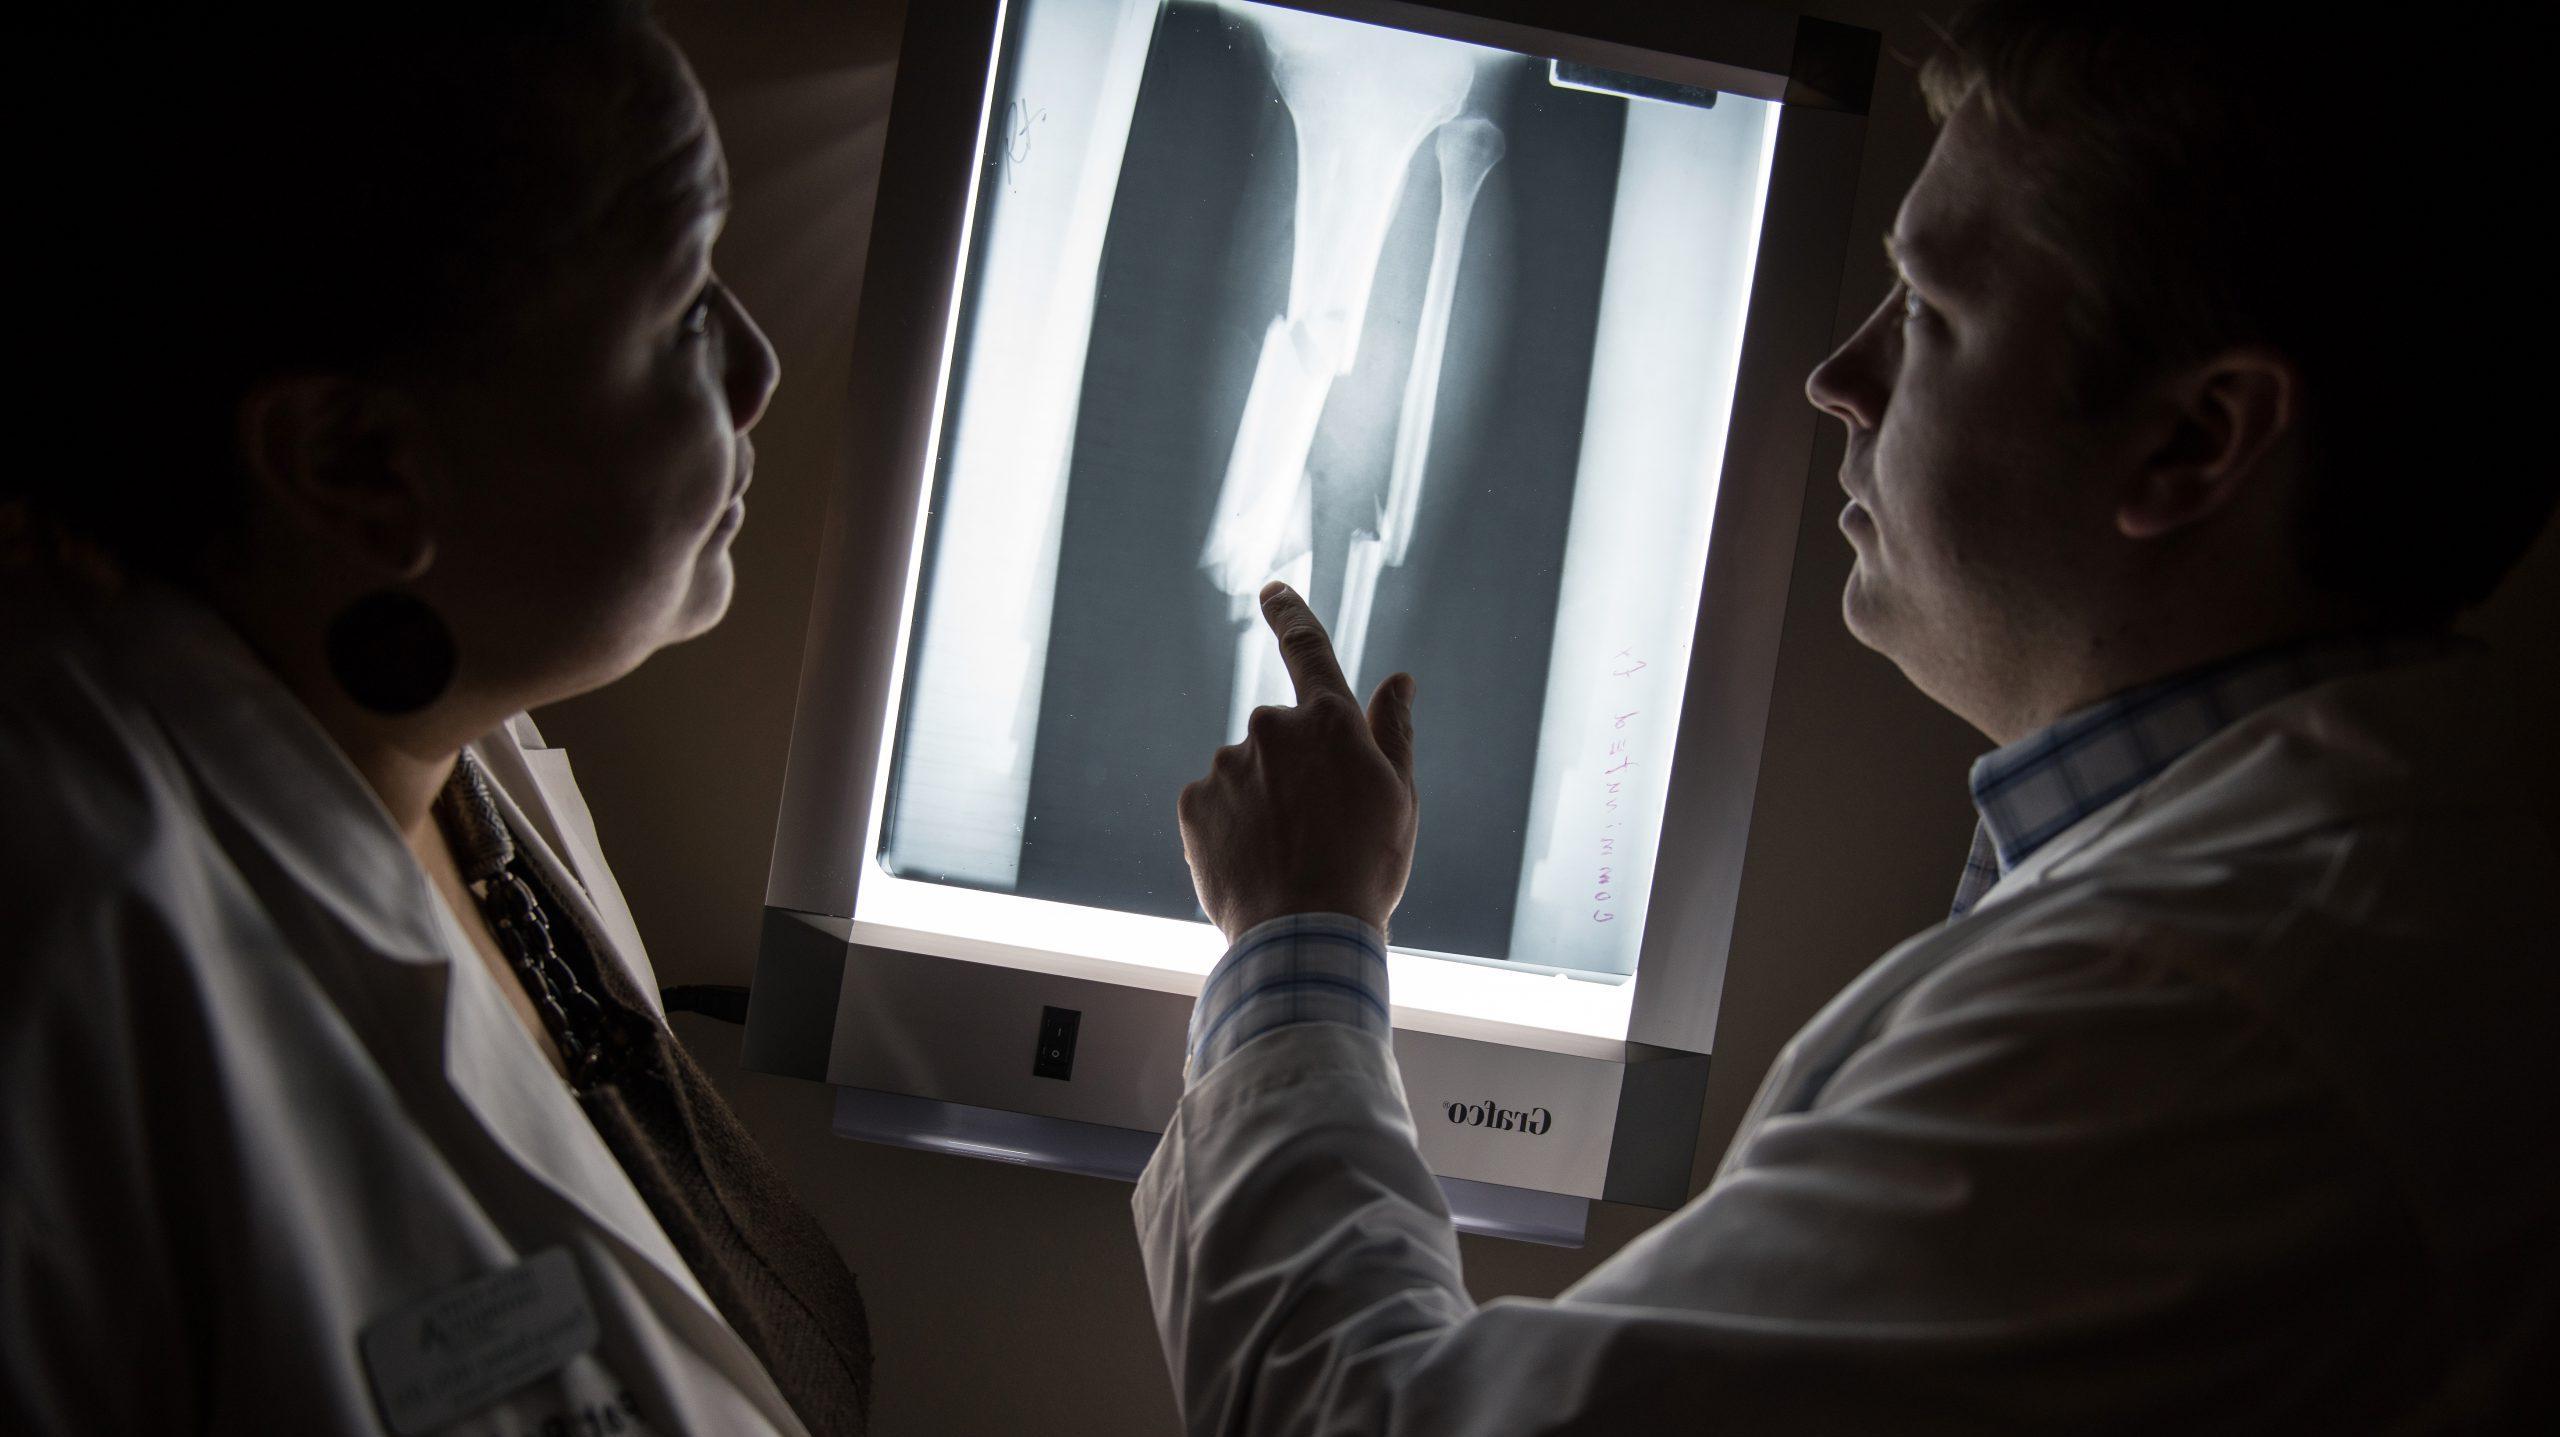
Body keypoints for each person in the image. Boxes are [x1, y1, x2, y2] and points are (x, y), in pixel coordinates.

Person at [1145, 2, 2557, 1432]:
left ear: (2195, 441)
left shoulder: (2186, 1034)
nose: (1838, 377)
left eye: (1932, 314)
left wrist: (1297, 931)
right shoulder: (2347, 886)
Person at [3, 6, 870, 1434]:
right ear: (354, 465)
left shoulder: (447, 753)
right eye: (683, 307)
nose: (761, 368)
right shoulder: (60, 952)